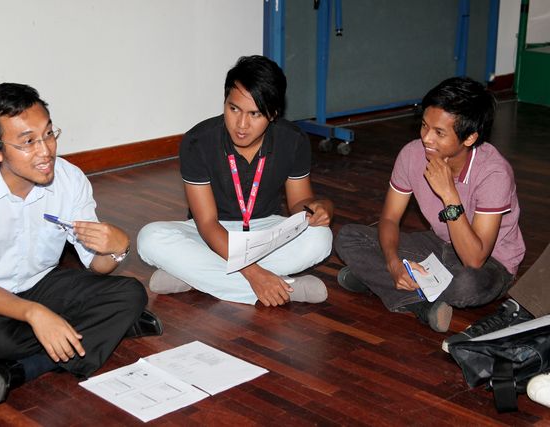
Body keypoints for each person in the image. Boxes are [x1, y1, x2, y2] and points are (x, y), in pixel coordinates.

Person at [0, 83, 162, 405]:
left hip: (41, 283)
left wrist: (117, 248)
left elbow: (96, 266)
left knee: (130, 293)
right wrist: (35, 314)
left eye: (49, 134)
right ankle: (108, 330)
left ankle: (24, 368)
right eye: (28, 142)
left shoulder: (69, 178)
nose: (46, 151)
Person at [137, 55, 333, 306]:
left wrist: (322, 207)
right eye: (234, 109)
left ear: (273, 113)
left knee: (320, 238)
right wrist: (255, 274)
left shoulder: (292, 139)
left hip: (265, 231)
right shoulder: (198, 141)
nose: (241, 124)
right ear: (225, 102)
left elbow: (300, 203)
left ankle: (195, 276)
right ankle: (286, 287)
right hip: (212, 234)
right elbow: (207, 223)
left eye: (255, 114)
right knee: (149, 238)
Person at [334, 76, 525, 333]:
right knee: (348, 237)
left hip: (490, 263)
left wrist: (449, 194)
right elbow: (389, 218)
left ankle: (374, 280)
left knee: (466, 285)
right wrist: (392, 264)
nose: (426, 138)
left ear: (469, 138)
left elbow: (474, 258)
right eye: (424, 126)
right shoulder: (412, 154)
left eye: (439, 133)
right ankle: (419, 304)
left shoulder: (494, 173)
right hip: (440, 245)